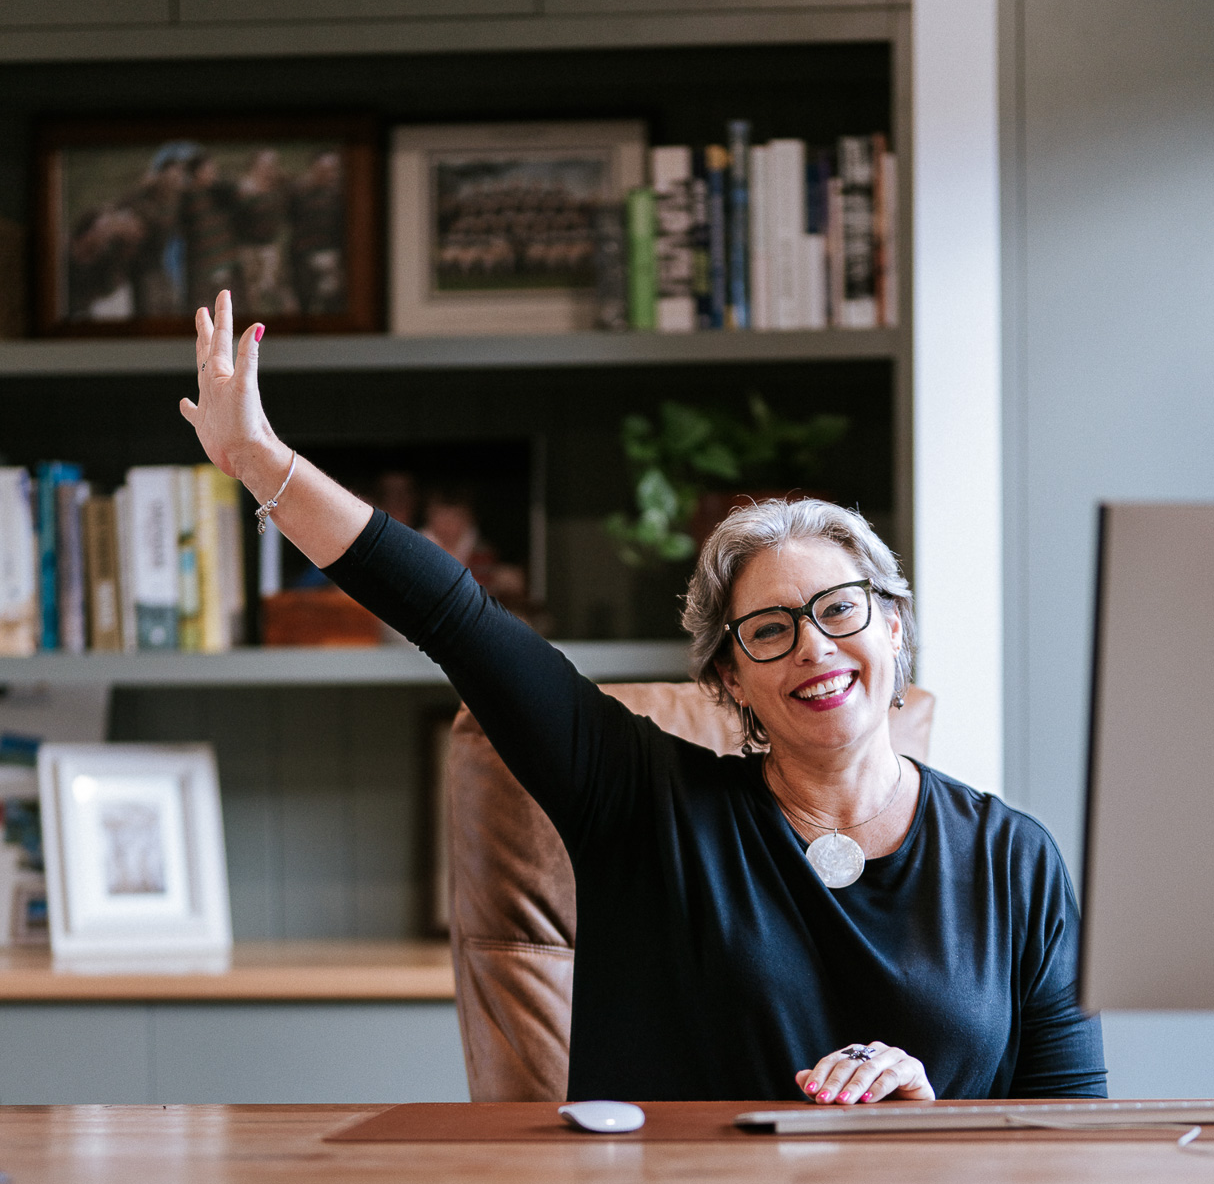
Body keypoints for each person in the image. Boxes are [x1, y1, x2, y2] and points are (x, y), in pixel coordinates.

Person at [181, 293, 1106, 1105]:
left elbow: (1072, 1137)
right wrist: (263, 464)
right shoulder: (646, 805)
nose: (814, 647)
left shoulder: (1014, 862)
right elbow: (455, 616)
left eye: (840, 610)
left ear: (894, 627)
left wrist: (929, 1114)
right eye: (770, 629)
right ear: (729, 679)